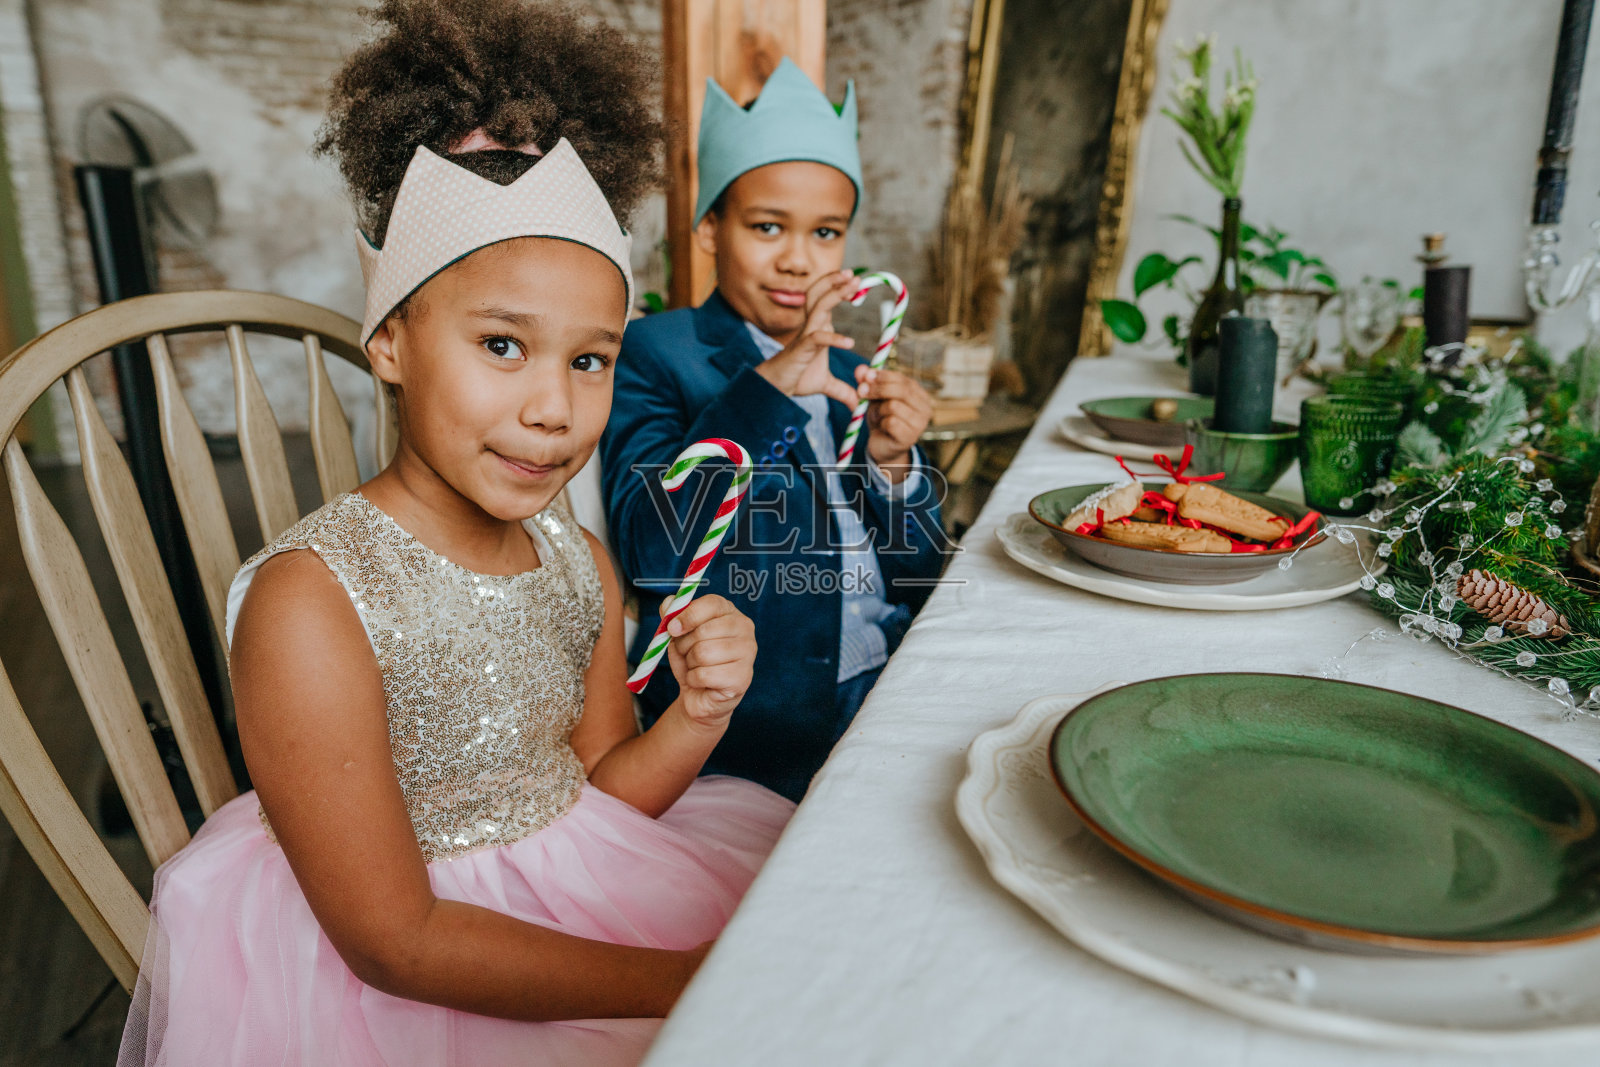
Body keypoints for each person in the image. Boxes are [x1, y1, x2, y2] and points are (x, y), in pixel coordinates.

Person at [118, 3, 792, 1063]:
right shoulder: (314, 600)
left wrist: (700, 715)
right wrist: (695, 977)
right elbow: (396, 940)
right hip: (406, 972)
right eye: (500, 344)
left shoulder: (577, 562)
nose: (553, 408)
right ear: (389, 343)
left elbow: (601, 799)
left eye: (589, 359)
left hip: (574, 903)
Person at [601, 58, 950, 803]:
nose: (797, 258)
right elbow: (653, 548)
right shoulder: (659, 352)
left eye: (825, 232)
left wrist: (894, 466)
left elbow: (918, 564)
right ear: (709, 228)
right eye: (767, 227)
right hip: (777, 721)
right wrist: (765, 389)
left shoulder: (853, 366)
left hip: (897, 677)